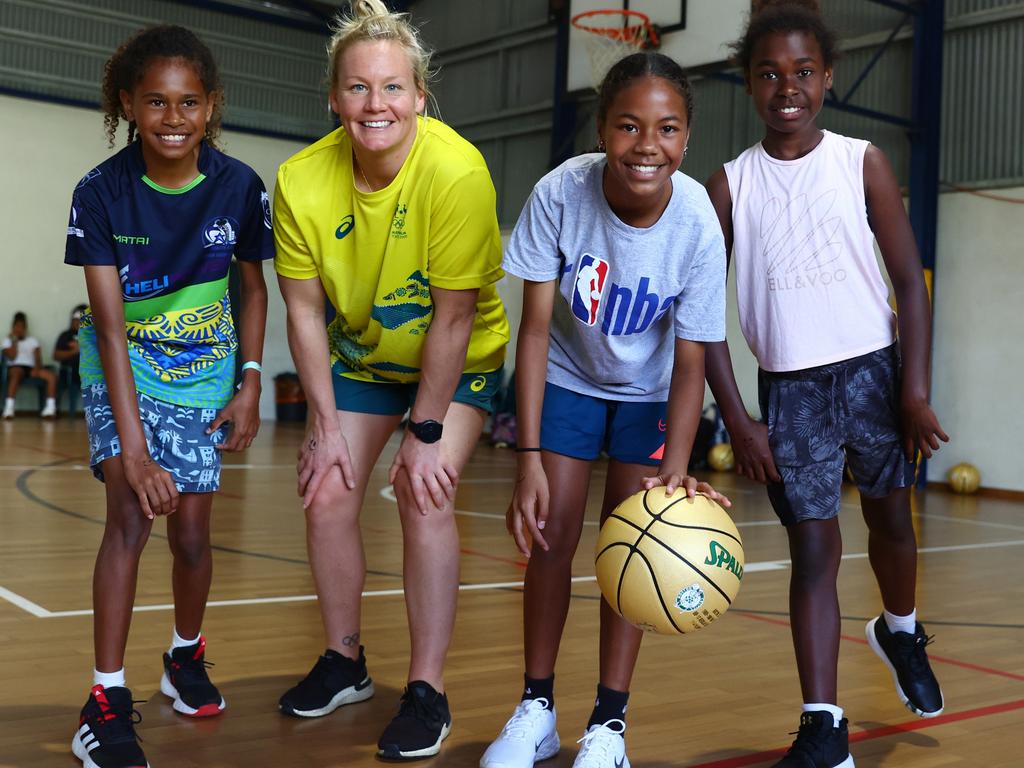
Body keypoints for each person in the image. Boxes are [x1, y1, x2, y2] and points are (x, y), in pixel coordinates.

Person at [703, 2, 949, 766]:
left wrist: (912, 390)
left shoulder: (860, 160)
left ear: (827, 78)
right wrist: (737, 419)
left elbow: (909, 282)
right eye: (771, 73)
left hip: (876, 374)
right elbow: (699, 314)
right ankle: (824, 729)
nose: (788, 86)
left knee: (893, 525)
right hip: (791, 391)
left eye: (803, 72)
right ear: (749, 83)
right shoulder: (729, 185)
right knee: (814, 552)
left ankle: (899, 631)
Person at [272, 0, 509, 760]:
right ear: (335, 98)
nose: (377, 106)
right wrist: (322, 422)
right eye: (359, 89)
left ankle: (427, 689)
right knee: (326, 488)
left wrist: (426, 431)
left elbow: (453, 318)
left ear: (420, 95)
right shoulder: (300, 181)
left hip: (457, 359)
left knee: (424, 488)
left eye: (394, 88)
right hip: (365, 359)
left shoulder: (457, 172)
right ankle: (345, 660)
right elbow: (304, 314)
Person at [481, 53, 730, 768]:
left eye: (667, 128)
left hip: (649, 394)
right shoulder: (561, 193)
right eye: (628, 125)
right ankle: (536, 708)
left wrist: (676, 471)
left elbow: (693, 362)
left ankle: (609, 727)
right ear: (601, 128)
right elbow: (531, 331)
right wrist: (525, 456)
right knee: (550, 540)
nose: (646, 145)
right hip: (566, 377)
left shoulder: (698, 228)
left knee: (635, 552)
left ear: (686, 138)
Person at [64, 24, 272, 768]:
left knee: (190, 537)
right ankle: (104, 700)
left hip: (205, 379)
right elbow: (112, 333)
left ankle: (185, 657)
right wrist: (138, 451)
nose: (174, 118)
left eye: (189, 103)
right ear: (129, 103)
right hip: (122, 371)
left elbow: (253, 287)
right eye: (156, 102)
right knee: (130, 516)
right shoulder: (101, 194)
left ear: (210, 106)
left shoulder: (240, 186)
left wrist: (249, 382)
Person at [2, 311, 58, 418]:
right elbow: (12, 356)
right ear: (12, 327)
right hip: (16, 367)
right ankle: (9, 408)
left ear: (25, 328)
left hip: (31, 368)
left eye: (22, 327)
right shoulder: (7, 341)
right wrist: (14, 341)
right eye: (17, 326)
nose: (19, 329)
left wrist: (37, 369)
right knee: (16, 373)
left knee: (52, 376)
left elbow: (37, 357)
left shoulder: (33, 341)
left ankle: (50, 409)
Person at [54, 303, 88, 412]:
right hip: (68, 372)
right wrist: (74, 351)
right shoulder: (66, 335)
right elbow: (56, 355)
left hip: (88, 373)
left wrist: (82, 347)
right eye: (75, 319)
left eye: (81, 319)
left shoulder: (93, 336)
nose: (77, 322)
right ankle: (53, 409)